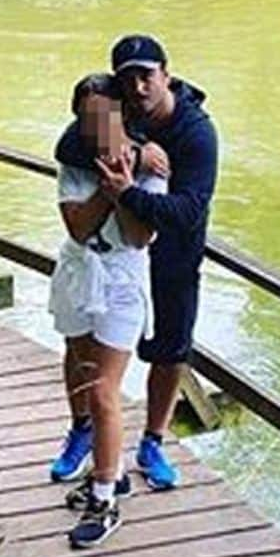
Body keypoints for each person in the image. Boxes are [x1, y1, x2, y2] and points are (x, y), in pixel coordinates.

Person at [48, 34, 217, 496]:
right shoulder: (113, 113)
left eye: (147, 76)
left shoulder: (196, 132)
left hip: (174, 247)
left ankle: (153, 442)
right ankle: (84, 429)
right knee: (82, 345)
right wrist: (137, 156)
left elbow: (188, 210)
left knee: (171, 347)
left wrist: (127, 191)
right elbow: (71, 144)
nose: (139, 87)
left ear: (167, 75)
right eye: (130, 78)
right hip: (116, 250)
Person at [47, 73, 167, 548]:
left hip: (121, 278)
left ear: (121, 114)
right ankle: (105, 468)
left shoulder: (153, 162)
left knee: (103, 390)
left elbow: (141, 236)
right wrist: (108, 186)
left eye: (105, 115)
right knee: (78, 365)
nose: (96, 126)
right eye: (87, 117)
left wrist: (125, 188)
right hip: (80, 269)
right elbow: (76, 227)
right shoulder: (75, 157)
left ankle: (105, 500)